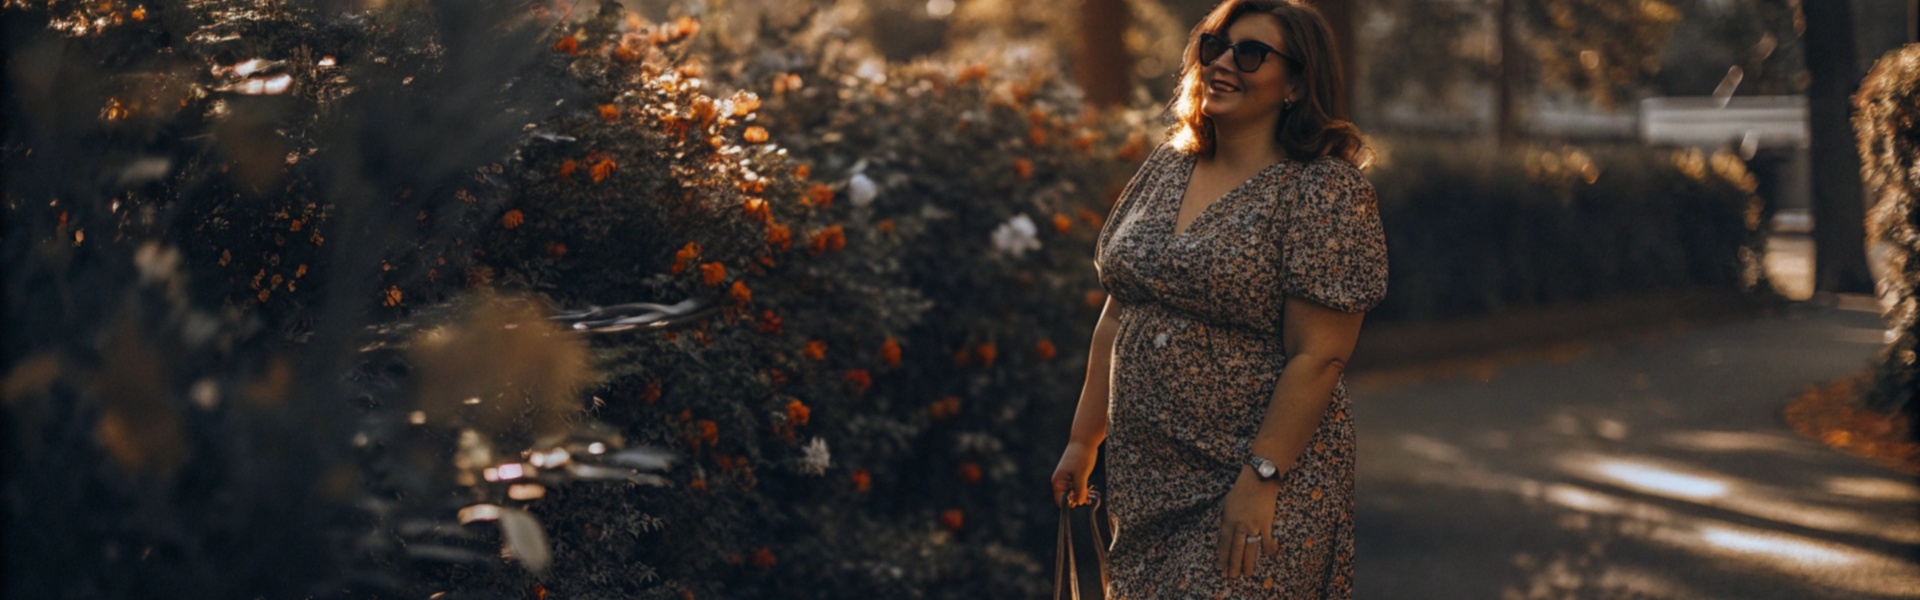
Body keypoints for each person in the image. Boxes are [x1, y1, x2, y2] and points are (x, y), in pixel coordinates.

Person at [1049, 0, 1386, 597]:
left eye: (1251, 53)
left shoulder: (1324, 191)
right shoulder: (1169, 165)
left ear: (1297, 83)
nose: (1224, 62)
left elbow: (1319, 356)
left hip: (1258, 483)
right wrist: (1083, 439)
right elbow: (1120, 309)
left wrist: (1260, 478)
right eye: (1215, 46)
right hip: (1148, 488)